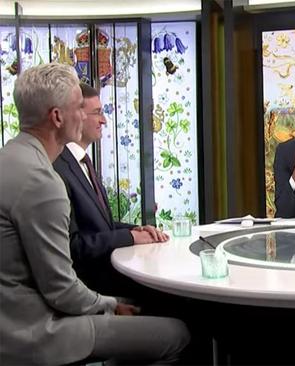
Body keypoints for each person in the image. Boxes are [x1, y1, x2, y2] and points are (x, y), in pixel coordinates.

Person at [0, 63, 189, 365]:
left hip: (15, 318)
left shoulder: (9, 156)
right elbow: (61, 290)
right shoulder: (41, 180)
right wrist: (111, 306)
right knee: (176, 332)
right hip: (33, 331)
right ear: (57, 117)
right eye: (79, 107)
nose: (90, 116)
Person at [53, 83, 167, 296]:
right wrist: (129, 237)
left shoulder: (82, 162)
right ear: (75, 115)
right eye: (97, 113)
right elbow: (73, 245)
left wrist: (137, 230)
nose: (104, 120)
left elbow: (99, 226)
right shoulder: (58, 168)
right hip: (93, 287)